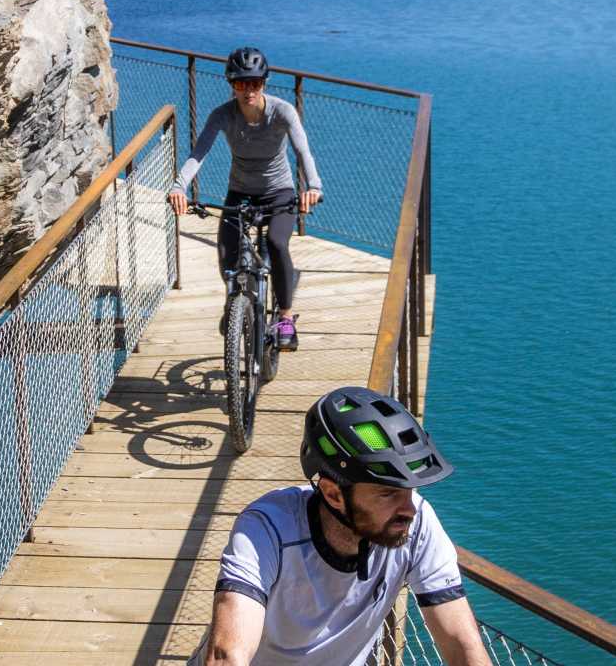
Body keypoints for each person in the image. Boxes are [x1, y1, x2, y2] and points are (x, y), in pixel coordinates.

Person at [194, 387, 494, 666]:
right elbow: (227, 653)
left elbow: (461, 642)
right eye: (387, 494)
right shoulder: (267, 529)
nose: (409, 509)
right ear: (333, 494)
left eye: (409, 491)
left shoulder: (417, 524)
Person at [165, 47, 322, 348]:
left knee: (277, 243)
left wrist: (313, 187)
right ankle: (235, 304)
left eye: (255, 83)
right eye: (240, 83)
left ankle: (285, 317)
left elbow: (303, 151)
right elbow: (199, 153)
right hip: (240, 193)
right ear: (231, 84)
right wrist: (178, 187)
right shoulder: (223, 115)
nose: (248, 90)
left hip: (280, 192)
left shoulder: (282, 111)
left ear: (264, 83)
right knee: (227, 251)